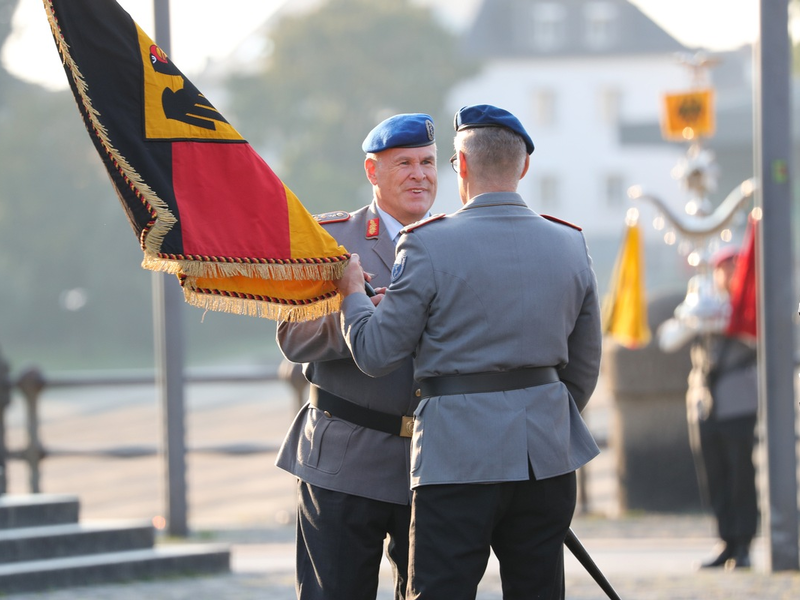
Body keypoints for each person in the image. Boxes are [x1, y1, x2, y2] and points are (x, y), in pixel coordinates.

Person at [334, 104, 602, 599]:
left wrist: (352, 294)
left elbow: (374, 353)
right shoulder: (570, 243)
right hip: (545, 453)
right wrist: (538, 415)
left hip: (454, 455)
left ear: (461, 165)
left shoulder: (428, 245)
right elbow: (584, 367)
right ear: (523, 166)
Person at [275, 113, 438, 600]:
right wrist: (362, 314)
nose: (420, 175)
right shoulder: (330, 241)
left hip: (432, 462)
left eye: (428, 163)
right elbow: (293, 338)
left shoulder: (458, 240)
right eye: (404, 163)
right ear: (372, 172)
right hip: (346, 457)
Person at [686, 246, 758, 569]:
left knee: (741, 474)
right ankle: (726, 538)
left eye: (734, 268)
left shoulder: (748, 306)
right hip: (704, 400)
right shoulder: (705, 303)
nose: (728, 274)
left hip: (737, 398)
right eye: (723, 269)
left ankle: (744, 542)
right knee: (714, 474)